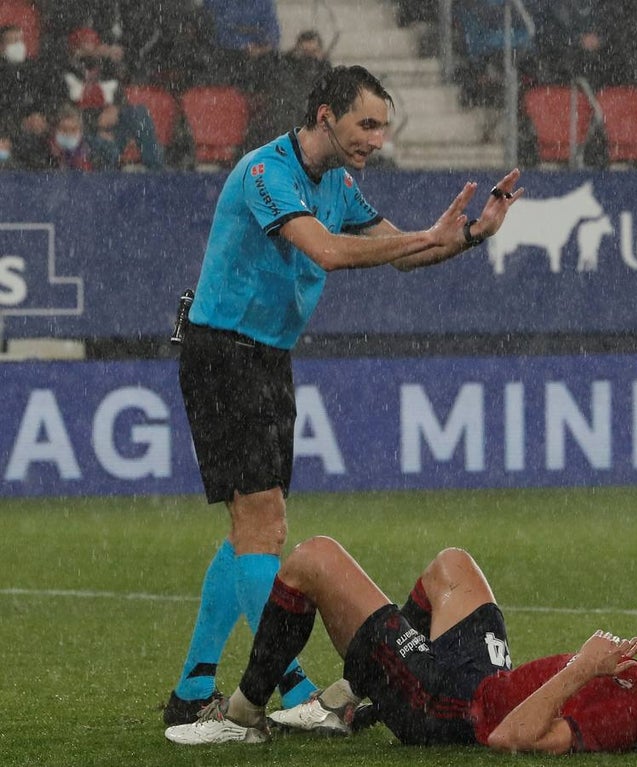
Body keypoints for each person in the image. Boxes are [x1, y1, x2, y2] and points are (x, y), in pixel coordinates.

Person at [163, 64, 524, 726]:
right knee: (263, 524)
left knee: (255, 526)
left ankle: (191, 688)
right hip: (223, 355)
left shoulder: (339, 186)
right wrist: (421, 235)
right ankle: (295, 692)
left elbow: (402, 253)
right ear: (325, 114)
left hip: (267, 357)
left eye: (383, 126)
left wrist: (468, 236)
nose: (376, 138)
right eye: (366, 123)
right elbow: (327, 253)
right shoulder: (267, 173)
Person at [164, 536, 637, 753]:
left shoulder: (631, 723)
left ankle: (242, 716)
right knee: (451, 567)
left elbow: (510, 738)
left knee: (310, 560)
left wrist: (579, 669)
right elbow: (630, 689)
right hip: (482, 681)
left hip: (449, 706)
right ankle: (345, 701)